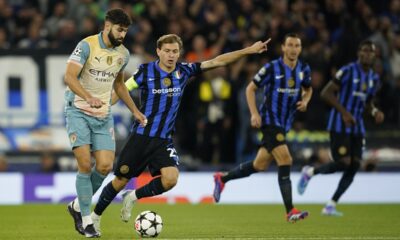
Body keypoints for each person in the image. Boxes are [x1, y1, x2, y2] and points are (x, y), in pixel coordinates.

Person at [90, 34, 270, 233]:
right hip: (141, 136)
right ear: (158, 51)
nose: (171, 55)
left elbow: (218, 61)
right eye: (167, 51)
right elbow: (123, 89)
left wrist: (249, 50)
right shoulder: (146, 71)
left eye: (174, 51)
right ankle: (95, 217)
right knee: (119, 181)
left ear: (179, 53)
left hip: (163, 140)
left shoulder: (184, 70)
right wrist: (103, 109)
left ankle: (132, 196)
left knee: (170, 179)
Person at [64, 8, 147, 238]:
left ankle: (77, 206)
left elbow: (119, 85)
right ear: (108, 25)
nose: (123, 35)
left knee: (104, 166)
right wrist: (88, 96)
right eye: (120, 30)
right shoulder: (87, 45)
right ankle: (87, 219)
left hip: (102, 115)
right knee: (84, 163)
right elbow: (69, 76)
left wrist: (135, 111)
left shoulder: (123, 54)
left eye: (126, 31)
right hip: (78, 110)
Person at [213, 33, 312, 223]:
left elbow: (308, 88)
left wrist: (306, 100)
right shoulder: (272, 68)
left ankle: (222, 179)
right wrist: (254, 113)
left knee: (259, 165)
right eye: (289, 45)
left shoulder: (303, 69)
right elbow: (250, 89)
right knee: (286, 159)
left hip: (284, 124)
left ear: (300, 49)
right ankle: (290, 210)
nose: (293, 49)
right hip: (269, 121)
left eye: (297, 45)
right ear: (283, 48)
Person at [297, 40, 384, 216]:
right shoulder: (348, 71)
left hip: (357, 127)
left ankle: (331, 205)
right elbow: (326, 93)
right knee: (344, 162)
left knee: (355, 165)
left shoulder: (374, 78)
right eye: (364, 50)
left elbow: (367, 102)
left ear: (375, 55)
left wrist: (374, 111)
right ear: (359, 53)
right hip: (339, 124)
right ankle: (310, 172)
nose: (367, 54)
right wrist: (344, 113)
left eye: (370, 51)